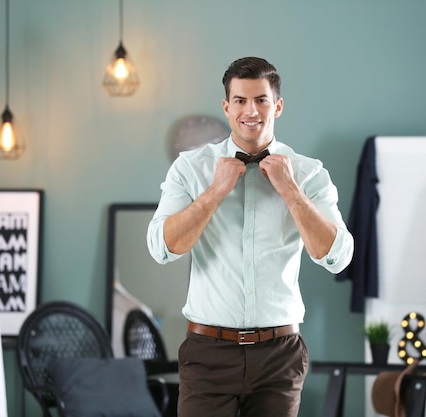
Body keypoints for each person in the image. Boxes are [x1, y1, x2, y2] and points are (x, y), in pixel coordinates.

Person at [147, 56, 354, 417]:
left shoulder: (308, 174)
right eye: (240, 100)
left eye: (261, 99)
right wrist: (215, 192)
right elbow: (163, 249)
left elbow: (337, 255)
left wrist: (290, 189)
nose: (251, 110)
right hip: (208, 352)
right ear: (227, 107)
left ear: (278, 105)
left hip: (279, 355)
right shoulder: (191, 168)